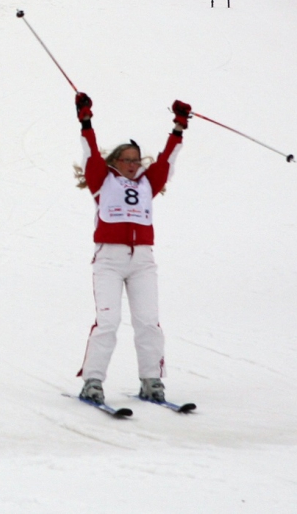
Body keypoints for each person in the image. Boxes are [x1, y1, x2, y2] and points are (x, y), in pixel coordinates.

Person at [73, 93, 192, 407]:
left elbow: (168, 160)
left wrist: (178, 127)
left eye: (136, 160)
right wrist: (85, 120)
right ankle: (93, 382)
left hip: (142, 260)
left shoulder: (147, 184)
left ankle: (152, 381)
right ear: (115, 162)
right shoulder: (102, 179)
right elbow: (89, 154)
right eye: (127, 160)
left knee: (148, 321)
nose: (133, 165)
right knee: (108, 322)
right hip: (109, 259)